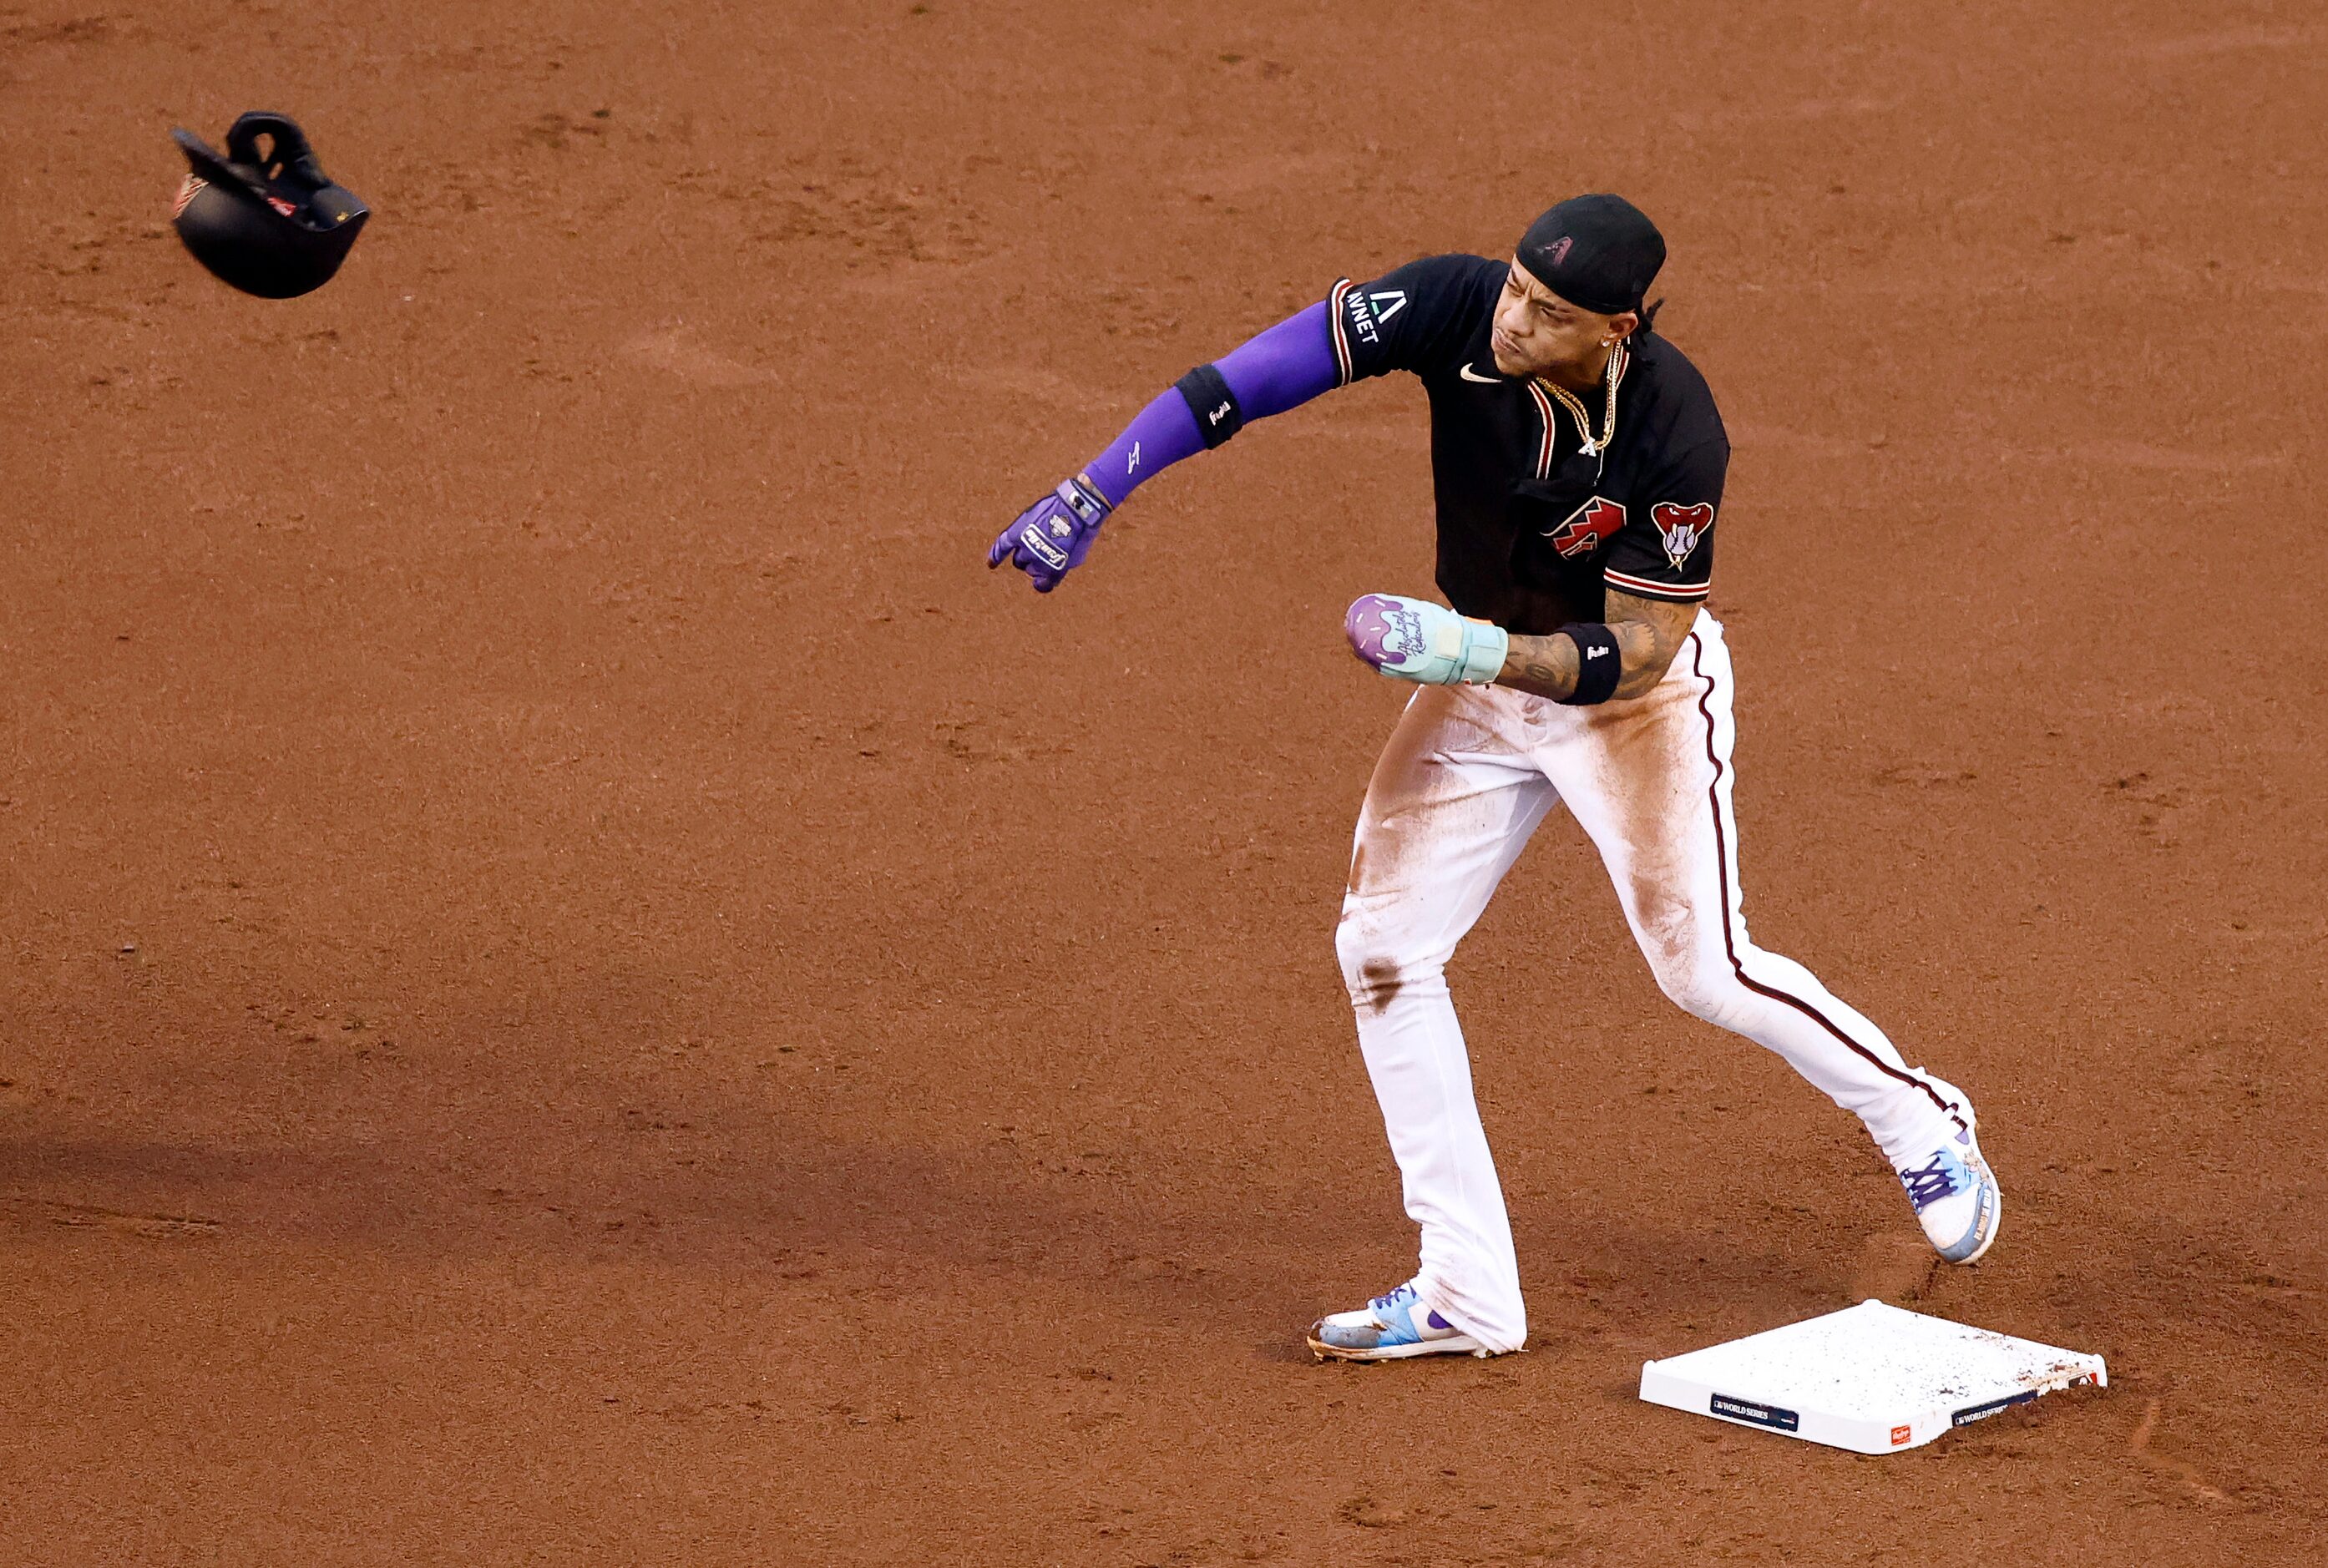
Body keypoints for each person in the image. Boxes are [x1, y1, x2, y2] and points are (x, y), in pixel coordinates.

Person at [988, 194, 2001, 1363]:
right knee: (1381, 947)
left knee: (1703, 967)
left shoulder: (1677, 429)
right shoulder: (1456, 303)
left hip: (1629, 699)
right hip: (1478, 670)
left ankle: (1922, 1118)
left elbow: (1640, 651)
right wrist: (1096, 485)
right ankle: (1468, 1288)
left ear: (1616, 329)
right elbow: (1248, 380)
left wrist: (1470, 653)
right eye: (1517, 287)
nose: (1513, 319)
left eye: (1549, 309)